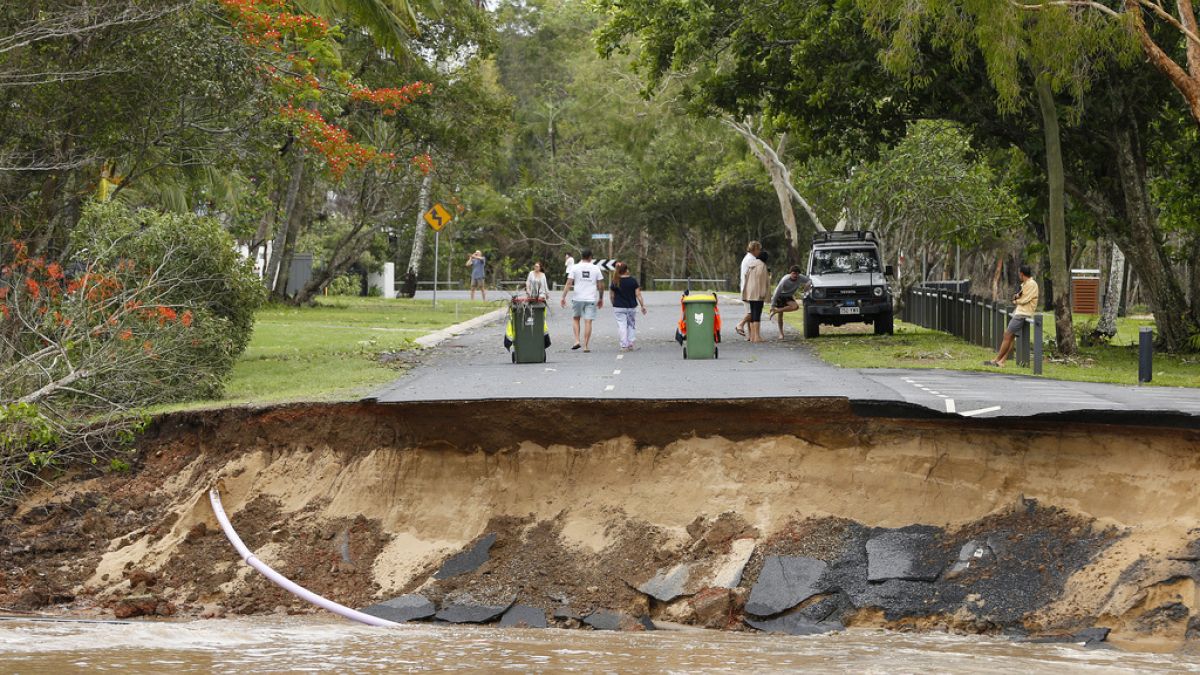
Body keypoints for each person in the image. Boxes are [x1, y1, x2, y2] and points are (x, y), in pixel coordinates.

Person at [986, 264, 1039, 367]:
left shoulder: (1031, 284)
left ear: (1021, 274)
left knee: (1007, 335)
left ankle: (997, 359)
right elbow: (1021, 296)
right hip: (1020, 311)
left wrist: (1015, 301)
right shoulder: (1026, 284)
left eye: (1019, 274)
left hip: (1023, 313)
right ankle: (1002, 361)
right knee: (1010, 337)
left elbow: (1025, 299)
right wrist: (1016, 297)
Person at [560, 248, 605, 352]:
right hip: (591, 298)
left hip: (578, 298)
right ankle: (586, 346)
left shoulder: (575, 268)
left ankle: (576, 341)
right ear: (590, 257)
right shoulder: (596, 268)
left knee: (576, 318)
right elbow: (601, 285)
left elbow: (569, 283)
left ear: (582, 256)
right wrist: (601, 298)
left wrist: (563, 297)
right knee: (588, 321)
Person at [610, 261, 646, 350]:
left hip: (618, 306)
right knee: (631, 325)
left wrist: (614, 304)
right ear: (626, 270)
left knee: (621, 325)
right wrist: (642, 306)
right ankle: (630, 342)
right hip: (631, 307)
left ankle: (623, 344)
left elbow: (612, 296)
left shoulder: (615, 281)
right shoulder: (633, 281)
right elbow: (638, 295)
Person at [768, 265, 810, 339]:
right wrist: (772, 305)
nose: (795, 275)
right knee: (780, 316)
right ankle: (781, 334)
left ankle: (776, 311)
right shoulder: (785, 280)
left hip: (788, 296)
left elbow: (810, 280)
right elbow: (776, 292)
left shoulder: (800, 277)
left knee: (796, 307)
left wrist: (807, 286)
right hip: (780, 296)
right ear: (790, 273)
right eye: (793, 273)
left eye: (797, 274)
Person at [735, 240, 762, 338]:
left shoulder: (747, 258)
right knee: (753, 312)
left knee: (749, 311)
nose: (759, 251)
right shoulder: (751, 260)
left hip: (745, 288)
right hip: (749, 289)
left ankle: (751, 335)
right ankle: (740, 324)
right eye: (759, 249)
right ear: (754, 249)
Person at [741, 249, 770, 343]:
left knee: (753, 313)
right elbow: (762, 280)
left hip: (750, 292)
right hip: (758, 292)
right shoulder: (762, 265)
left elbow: (746, 276)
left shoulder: (752, 264)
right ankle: (757, 337)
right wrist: (763, 293)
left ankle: (753, 336)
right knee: (757, 314)